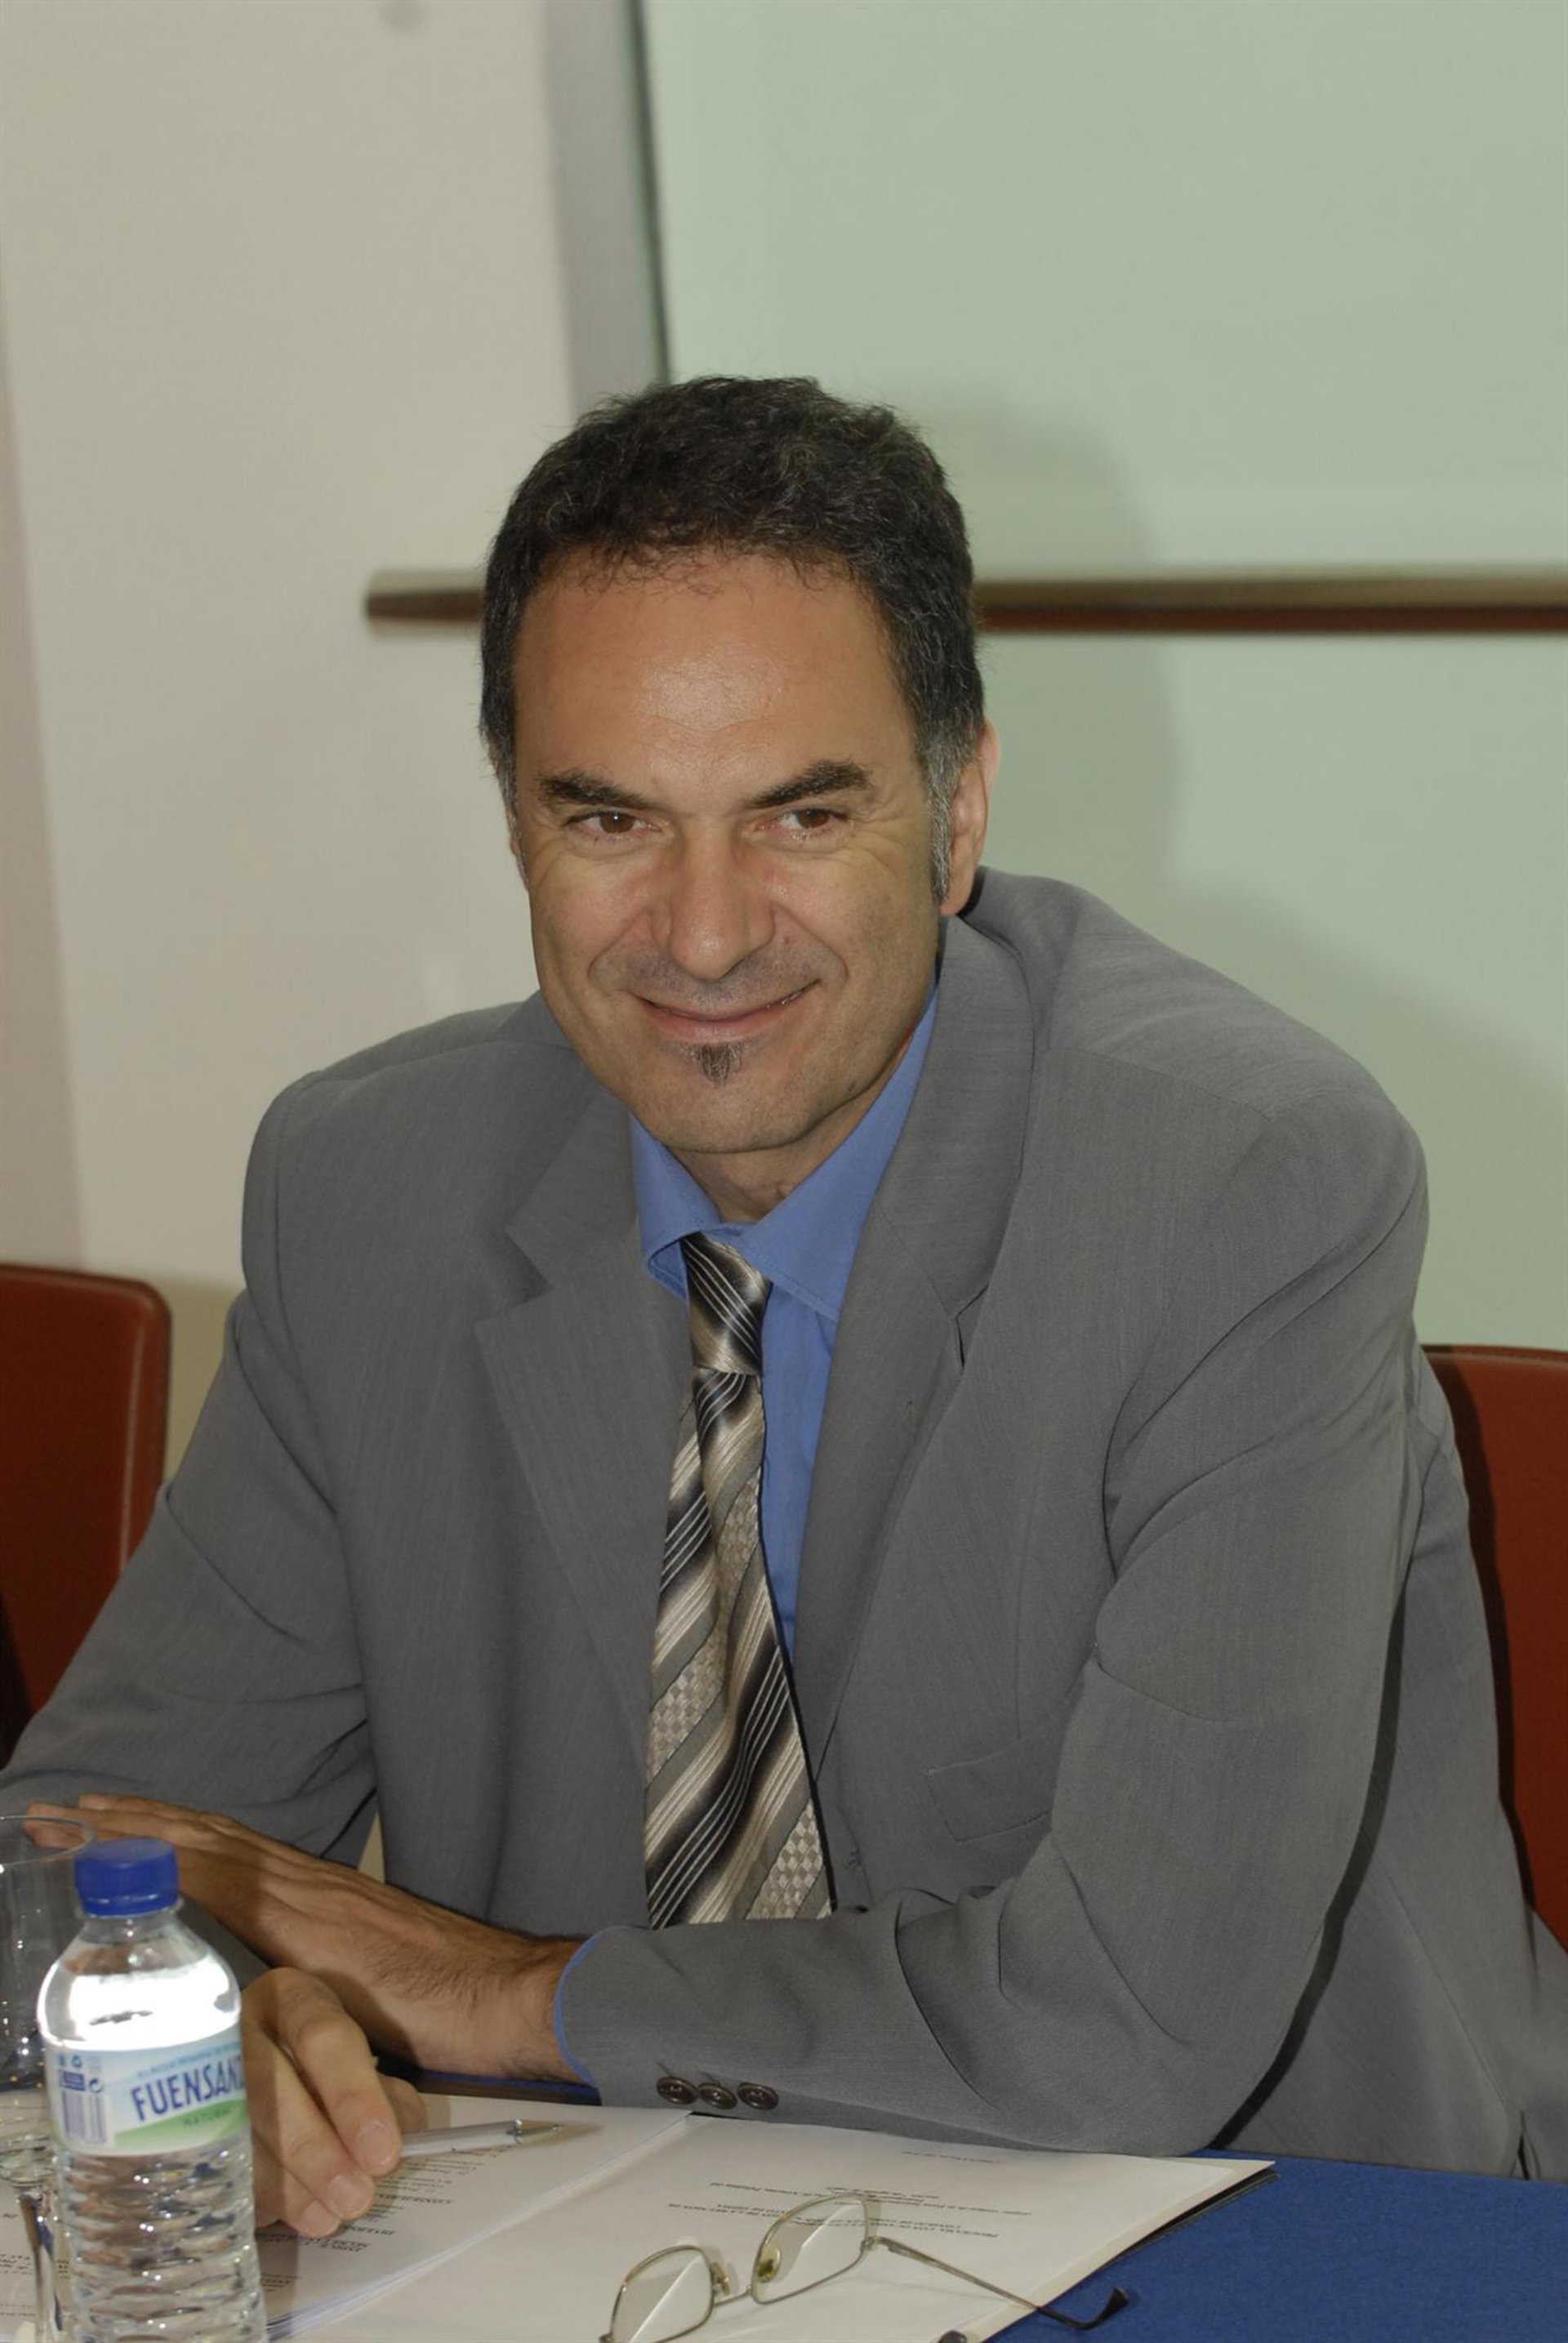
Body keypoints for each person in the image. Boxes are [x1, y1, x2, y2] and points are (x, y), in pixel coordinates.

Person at [7, 379, 1565, 2238]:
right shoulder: (370, 1194)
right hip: (596, 2243)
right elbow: (69, 1859)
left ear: (958, 813)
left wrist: (497, 1992)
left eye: (801, 814)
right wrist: (220, 2025)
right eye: (610, 817)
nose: (707, 930)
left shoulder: (1240, 1188)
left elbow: (1125, 2030)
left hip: (1263, 2228)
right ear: (514, 820)